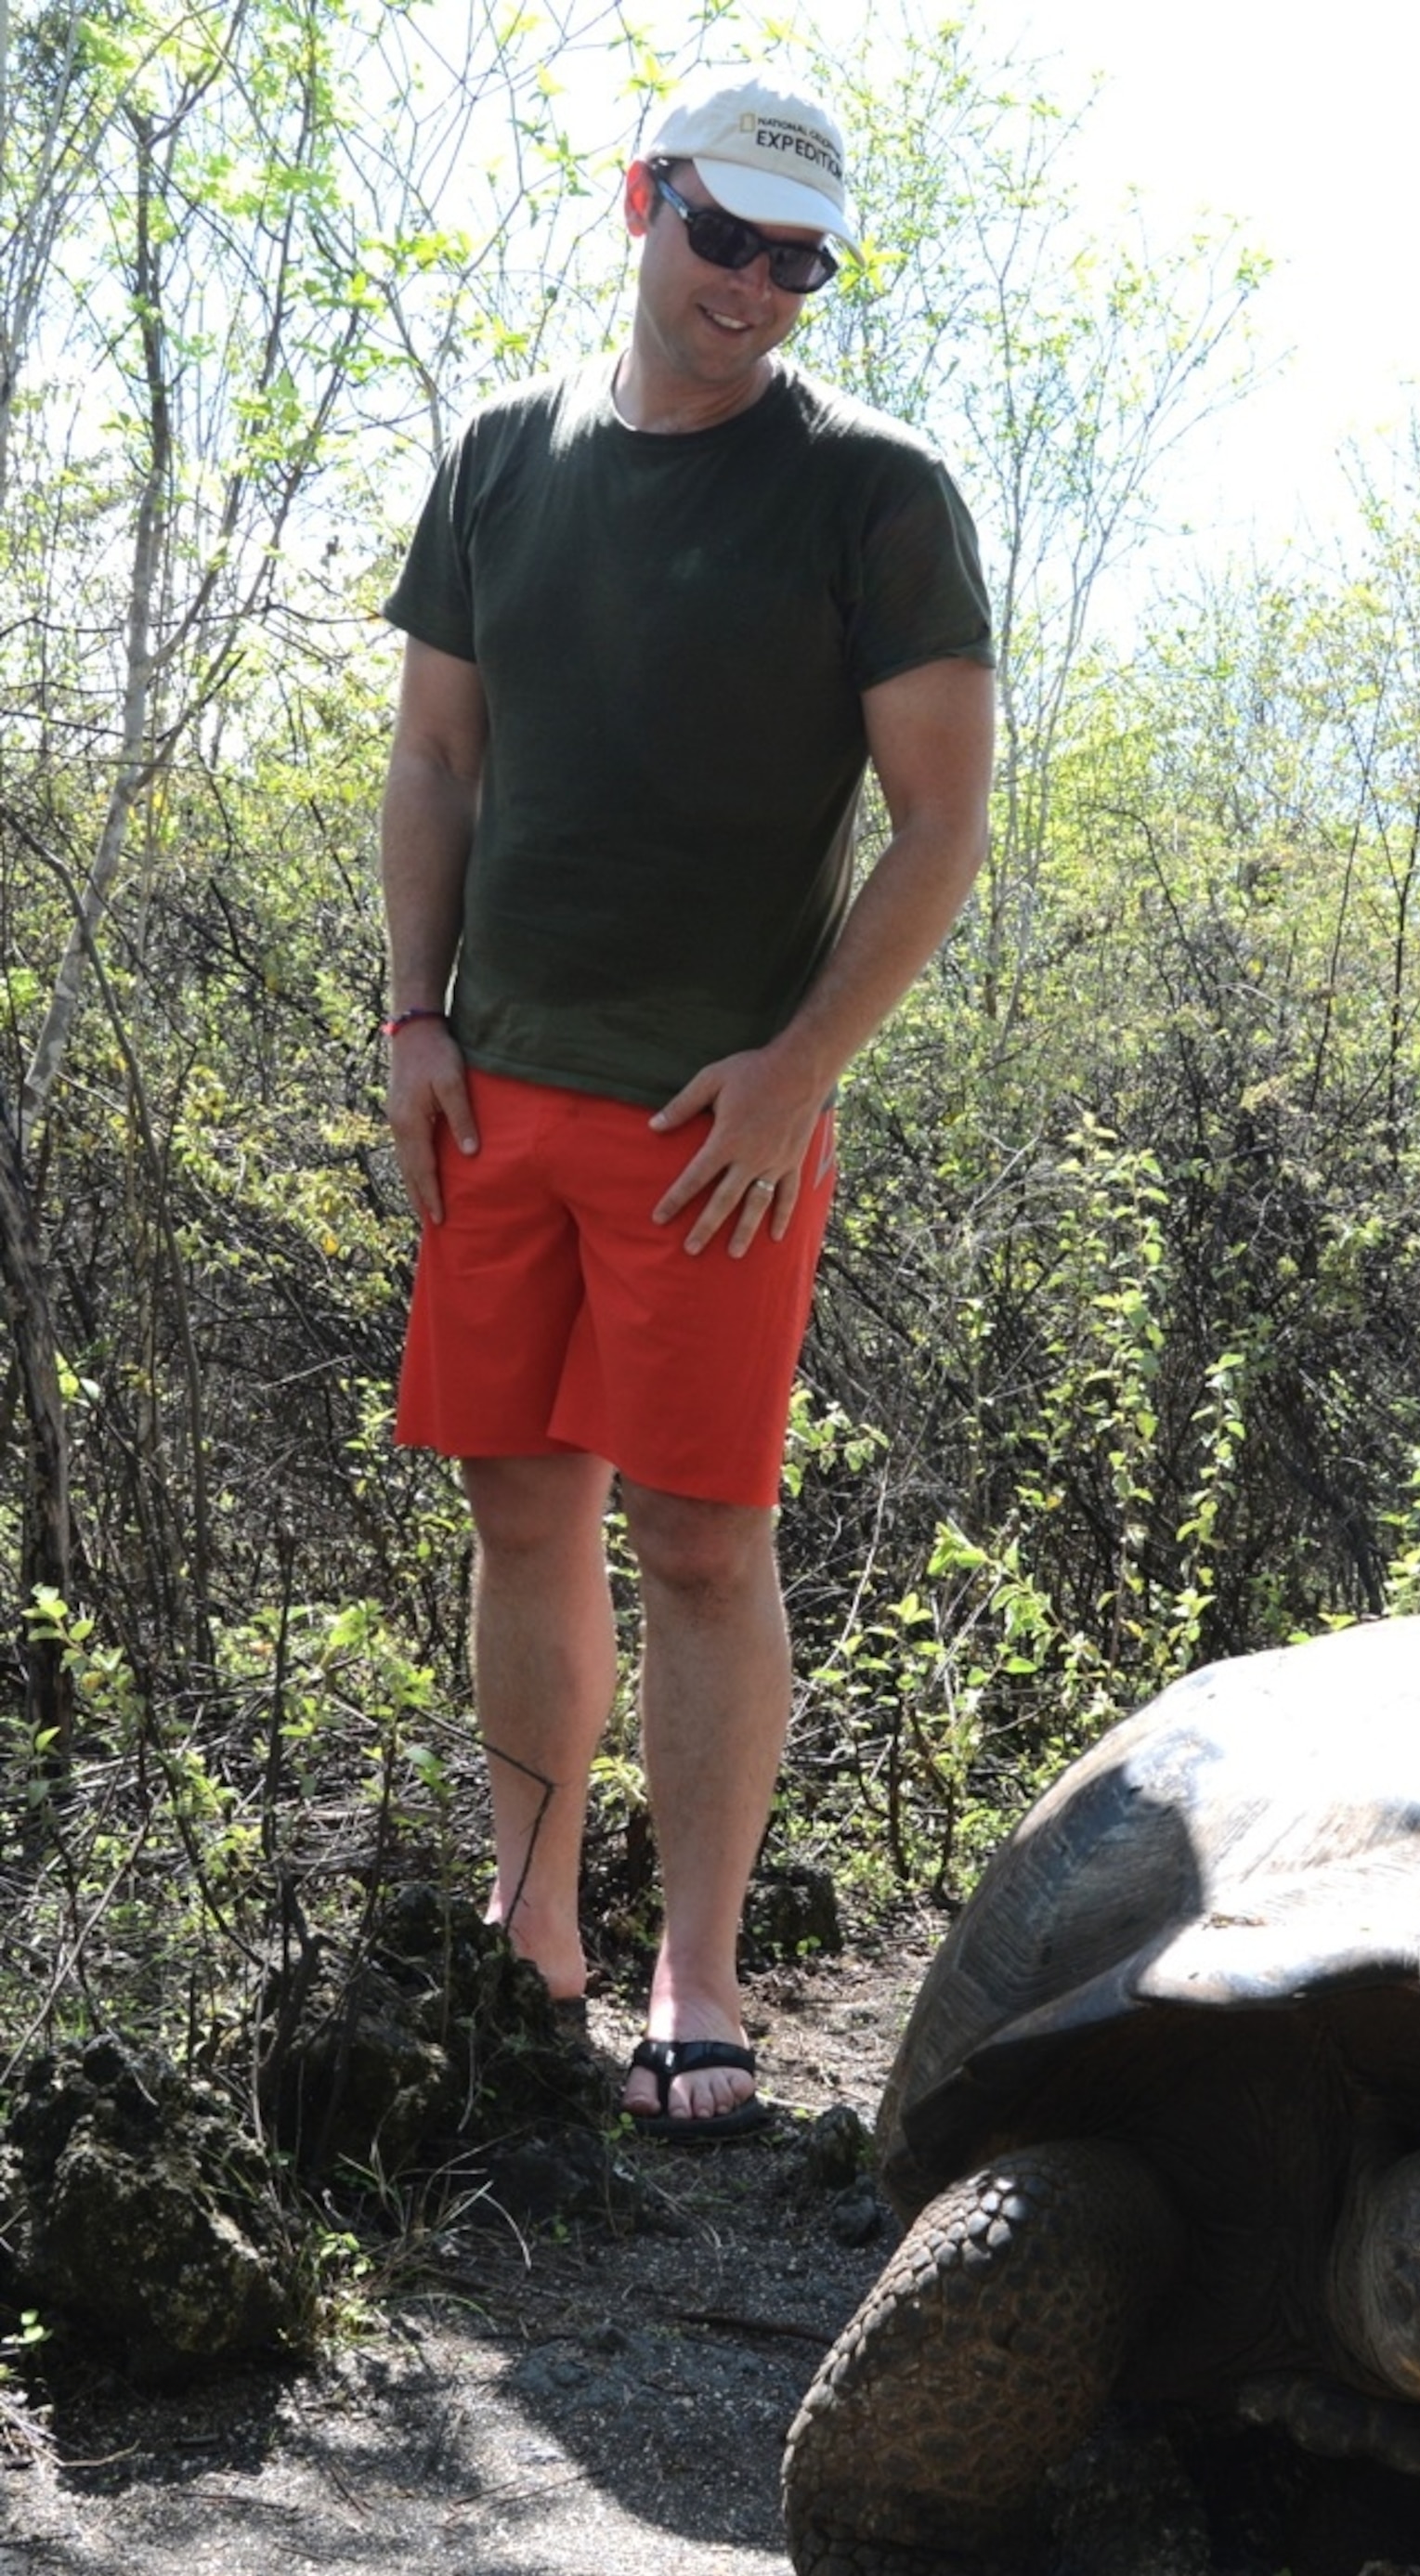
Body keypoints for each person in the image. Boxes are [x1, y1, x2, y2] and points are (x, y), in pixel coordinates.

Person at [379, 70, 997, 2138]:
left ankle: (698, 1974)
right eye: (724, 235)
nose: (755, 286)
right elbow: (442, 762)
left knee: (707, 1540)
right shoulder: (499, 462)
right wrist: (412, 1013)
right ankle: (531, 1929)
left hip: (715, 1129)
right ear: (641, 203)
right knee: (517, 1501)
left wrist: (798, 1073)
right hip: (496, 1094)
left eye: (798, 259)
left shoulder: (875, 494)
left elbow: (940, 824)